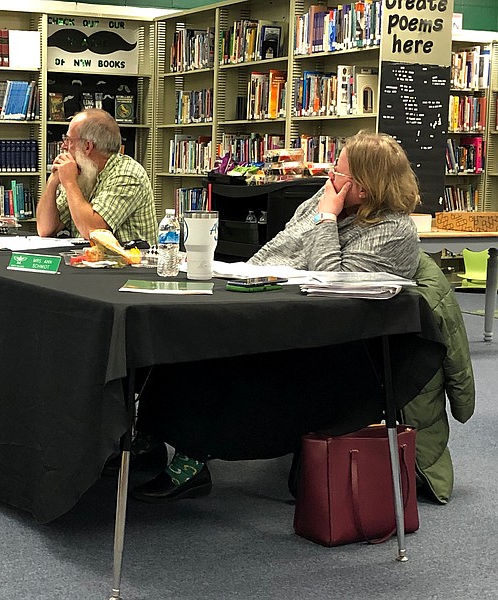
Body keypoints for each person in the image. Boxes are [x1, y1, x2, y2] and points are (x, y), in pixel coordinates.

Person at [131, 131, 422, 503]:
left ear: (363, 189)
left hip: (333, 346)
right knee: (183, 331)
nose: (330, 178)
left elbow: (331, 281)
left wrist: (327, 219)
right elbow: (277, 248)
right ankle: (151, 436)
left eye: (339, 172)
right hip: (280, 314)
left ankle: (191, 460)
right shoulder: (325, 198)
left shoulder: (393, 230)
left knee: (212, 353)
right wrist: (244, 277)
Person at [36, 108, 157, 244]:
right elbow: (45, 229)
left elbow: (93, 232)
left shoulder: (127, 174)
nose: (64, 146)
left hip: (128, 262)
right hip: (89, 260)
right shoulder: (84, 174)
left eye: (69, 140)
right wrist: (52, 182)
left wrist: (69, 183)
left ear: (87, 146)